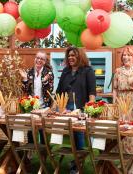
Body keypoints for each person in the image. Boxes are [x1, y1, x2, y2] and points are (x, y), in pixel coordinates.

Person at [56, 46, 96, 174]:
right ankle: (75, 159)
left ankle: (77, 164)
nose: (70, 58)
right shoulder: (66, 71)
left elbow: (92, 93)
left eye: (73, 55)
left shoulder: (88, 71)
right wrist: (53, 109)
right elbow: (58, 92)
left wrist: (90, 110)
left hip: (80, 109)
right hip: (66, 109)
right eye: (69, 56)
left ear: (80, 56)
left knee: (78, 133)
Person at [20, 51, 54, 144]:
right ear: (35, 58)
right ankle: (30, 151)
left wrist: (45, 82)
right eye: (37, 58)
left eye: (42, 59)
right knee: (30, 129)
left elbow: (50, 90)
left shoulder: (48, 73)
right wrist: (24, 79)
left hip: (44, 107)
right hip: (32, 106)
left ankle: (44, 151)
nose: (39, 60)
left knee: (42, 130)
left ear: (45, 61)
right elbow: (25, 91)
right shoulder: (29, 72)